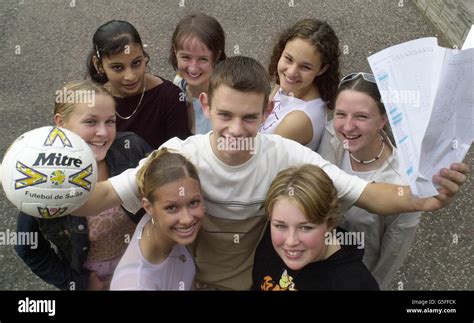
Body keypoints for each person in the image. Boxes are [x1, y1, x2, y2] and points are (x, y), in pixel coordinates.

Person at [76, 56, 468, 291]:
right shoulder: (179, 154)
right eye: (225, 115)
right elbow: (102, 197)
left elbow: (367, 194)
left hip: (254, 283)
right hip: (189, 278)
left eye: (250, 118)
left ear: (267, 113)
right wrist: (51, 193)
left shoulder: (286, 155)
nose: (235, 129)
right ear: (206, 105)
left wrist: (419, 197)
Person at [14, 80, 153, 290]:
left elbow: (166, 193)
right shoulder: (41, 181)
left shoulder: (132, 148)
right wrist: (78, 283)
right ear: (61, 123)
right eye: (90, 122)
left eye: (110, 121)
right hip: (98, 282)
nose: (104, 133)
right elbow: (28, 247)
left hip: (144, 268)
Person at [317, 72, 421, 289]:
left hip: (353, 276)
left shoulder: (403, 182)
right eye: (341, 114)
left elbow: (393, 251)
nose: (347, 127)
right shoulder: (329, 137)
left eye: (361, 117)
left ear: (383, 119)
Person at [252, 164, 379, 290]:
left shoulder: (356, 284)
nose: (290, 241)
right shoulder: (270, 240)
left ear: (330, 222)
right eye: (280, 225)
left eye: (305, 228)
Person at [87, 20, 191, 148]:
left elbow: (180, 156)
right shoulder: (91, 103)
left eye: (136, 63)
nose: (130, 76)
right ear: (99, 65)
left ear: (144, 56)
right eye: (118, 68)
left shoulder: (170, 97)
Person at [110, 148, 204, 290]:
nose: (187, 219)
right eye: (172, 207)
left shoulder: (158, 225)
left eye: (193, 202)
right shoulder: (134, 284)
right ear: (148, 207)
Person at [259, 19, 340, 150]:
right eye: (288, 59)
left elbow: (262, 160)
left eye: (305, 67)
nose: (291, 72)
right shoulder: (291, 85)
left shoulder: (298, 120)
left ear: (322, 69)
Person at [170, 13, 227, 134]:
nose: (193, 68)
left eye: (203, 59)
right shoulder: (178, 83)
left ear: (217, 56)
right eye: (186, 57)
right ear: (175, 51)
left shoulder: (226, 101)